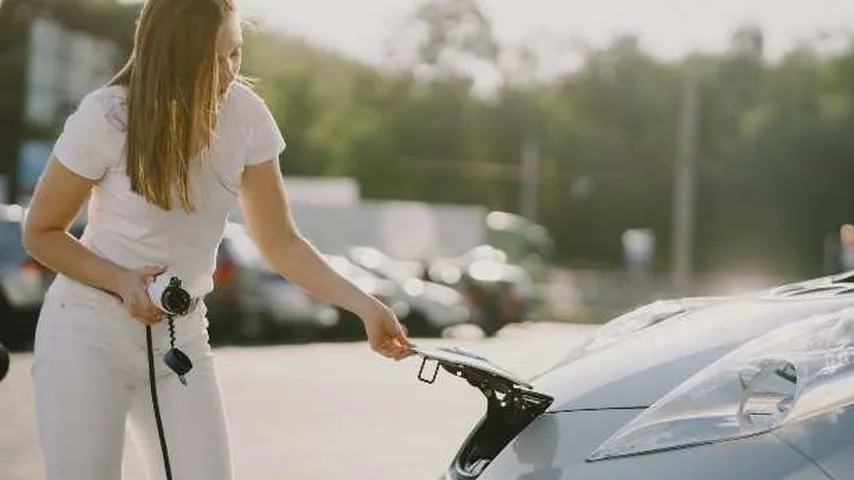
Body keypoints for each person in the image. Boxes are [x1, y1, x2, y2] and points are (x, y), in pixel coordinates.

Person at [21, 1, 414, 479]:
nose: (230, 72)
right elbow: (41, 232)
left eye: (237, 53)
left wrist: (366, 306)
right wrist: (119, 279)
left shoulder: (246, 116)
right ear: (175, 56)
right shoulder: (108, 117)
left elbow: (282, 242)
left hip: (182, 337)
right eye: (215, 59)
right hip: (86, 333)